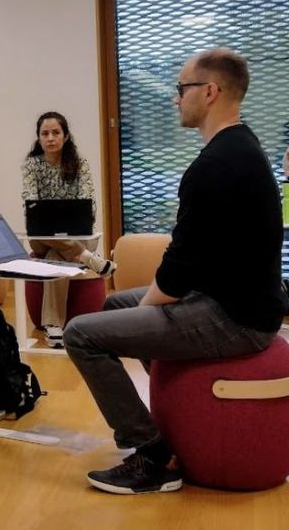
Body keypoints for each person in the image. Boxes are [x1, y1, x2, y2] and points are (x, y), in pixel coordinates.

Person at [64, 48, 288, 494]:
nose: (175, 98)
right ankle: (177, 414)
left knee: (80, 334)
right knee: (114, 305)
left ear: (210, 91)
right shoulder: (243, 147)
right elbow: (199, 256)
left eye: (181, 88)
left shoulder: (215, 166)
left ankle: (152, 456)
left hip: (236, 319)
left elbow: (176, 273)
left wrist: (151, 311)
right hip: (236, 300)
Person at [21, 111, 115, 347]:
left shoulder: (80, 164)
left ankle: (53, 326)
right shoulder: (31, 165)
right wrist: (51, 223)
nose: (50, 138)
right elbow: (30, 204)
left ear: (65, 136)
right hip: (42, 237)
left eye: (56, 132)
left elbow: (88, 204)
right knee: (51, 241)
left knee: (56, 256)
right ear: (39, 138)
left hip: (79, 234)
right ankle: (89, 259)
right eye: (45, 133)